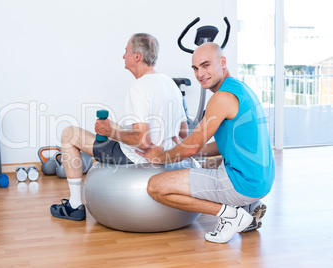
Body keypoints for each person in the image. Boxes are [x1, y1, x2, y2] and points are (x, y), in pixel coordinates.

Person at [136, 42, 275, 244]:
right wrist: (193, 152)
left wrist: (159, 156)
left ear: (223, 62)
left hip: (242, 184)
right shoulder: (241, 88)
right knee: (203, 164)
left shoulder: (221, 98)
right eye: (195, 68)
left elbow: (191, 146)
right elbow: (226, 143)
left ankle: (231, 215)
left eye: (206, 65)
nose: (200, 73)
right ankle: (249, 207)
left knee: (155, 187)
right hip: (262, 180)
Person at [50, 33, 188, 221]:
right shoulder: (169, 83)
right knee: (115, 125)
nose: (124, 56)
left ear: (137, 56)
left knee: (69, 134)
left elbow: (142, 140)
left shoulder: (138, 87)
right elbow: (183, 133)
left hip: (136, 157)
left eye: (126, 52)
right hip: (166, 153)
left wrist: (111, 132)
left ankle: (74, 206)